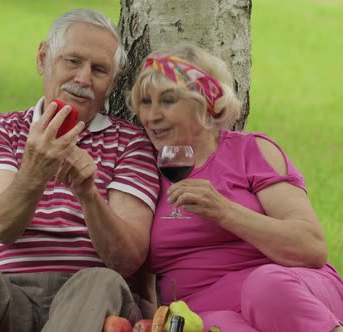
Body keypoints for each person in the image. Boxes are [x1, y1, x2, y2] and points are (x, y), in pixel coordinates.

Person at [0, 8, 160, 332]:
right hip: (9, 295)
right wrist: (34, 170)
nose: (83, 78)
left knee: (101, 280)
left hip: (91, 303)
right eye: (72, 61)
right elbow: (1, 224)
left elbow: (128, 259)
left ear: (112, 83)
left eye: (99, 69)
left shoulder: (130, 142)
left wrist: (88, 194)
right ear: (44, 58)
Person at [128, 42, 343, 331]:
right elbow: (141, 277)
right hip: (206, 311)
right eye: (145, 102)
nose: (152, 116)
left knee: (264, 287)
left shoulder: (251, 151)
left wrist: (223, 211)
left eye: (167, 100)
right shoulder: (141, 170)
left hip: (288, 291)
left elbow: (311, 247)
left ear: (204, 102)